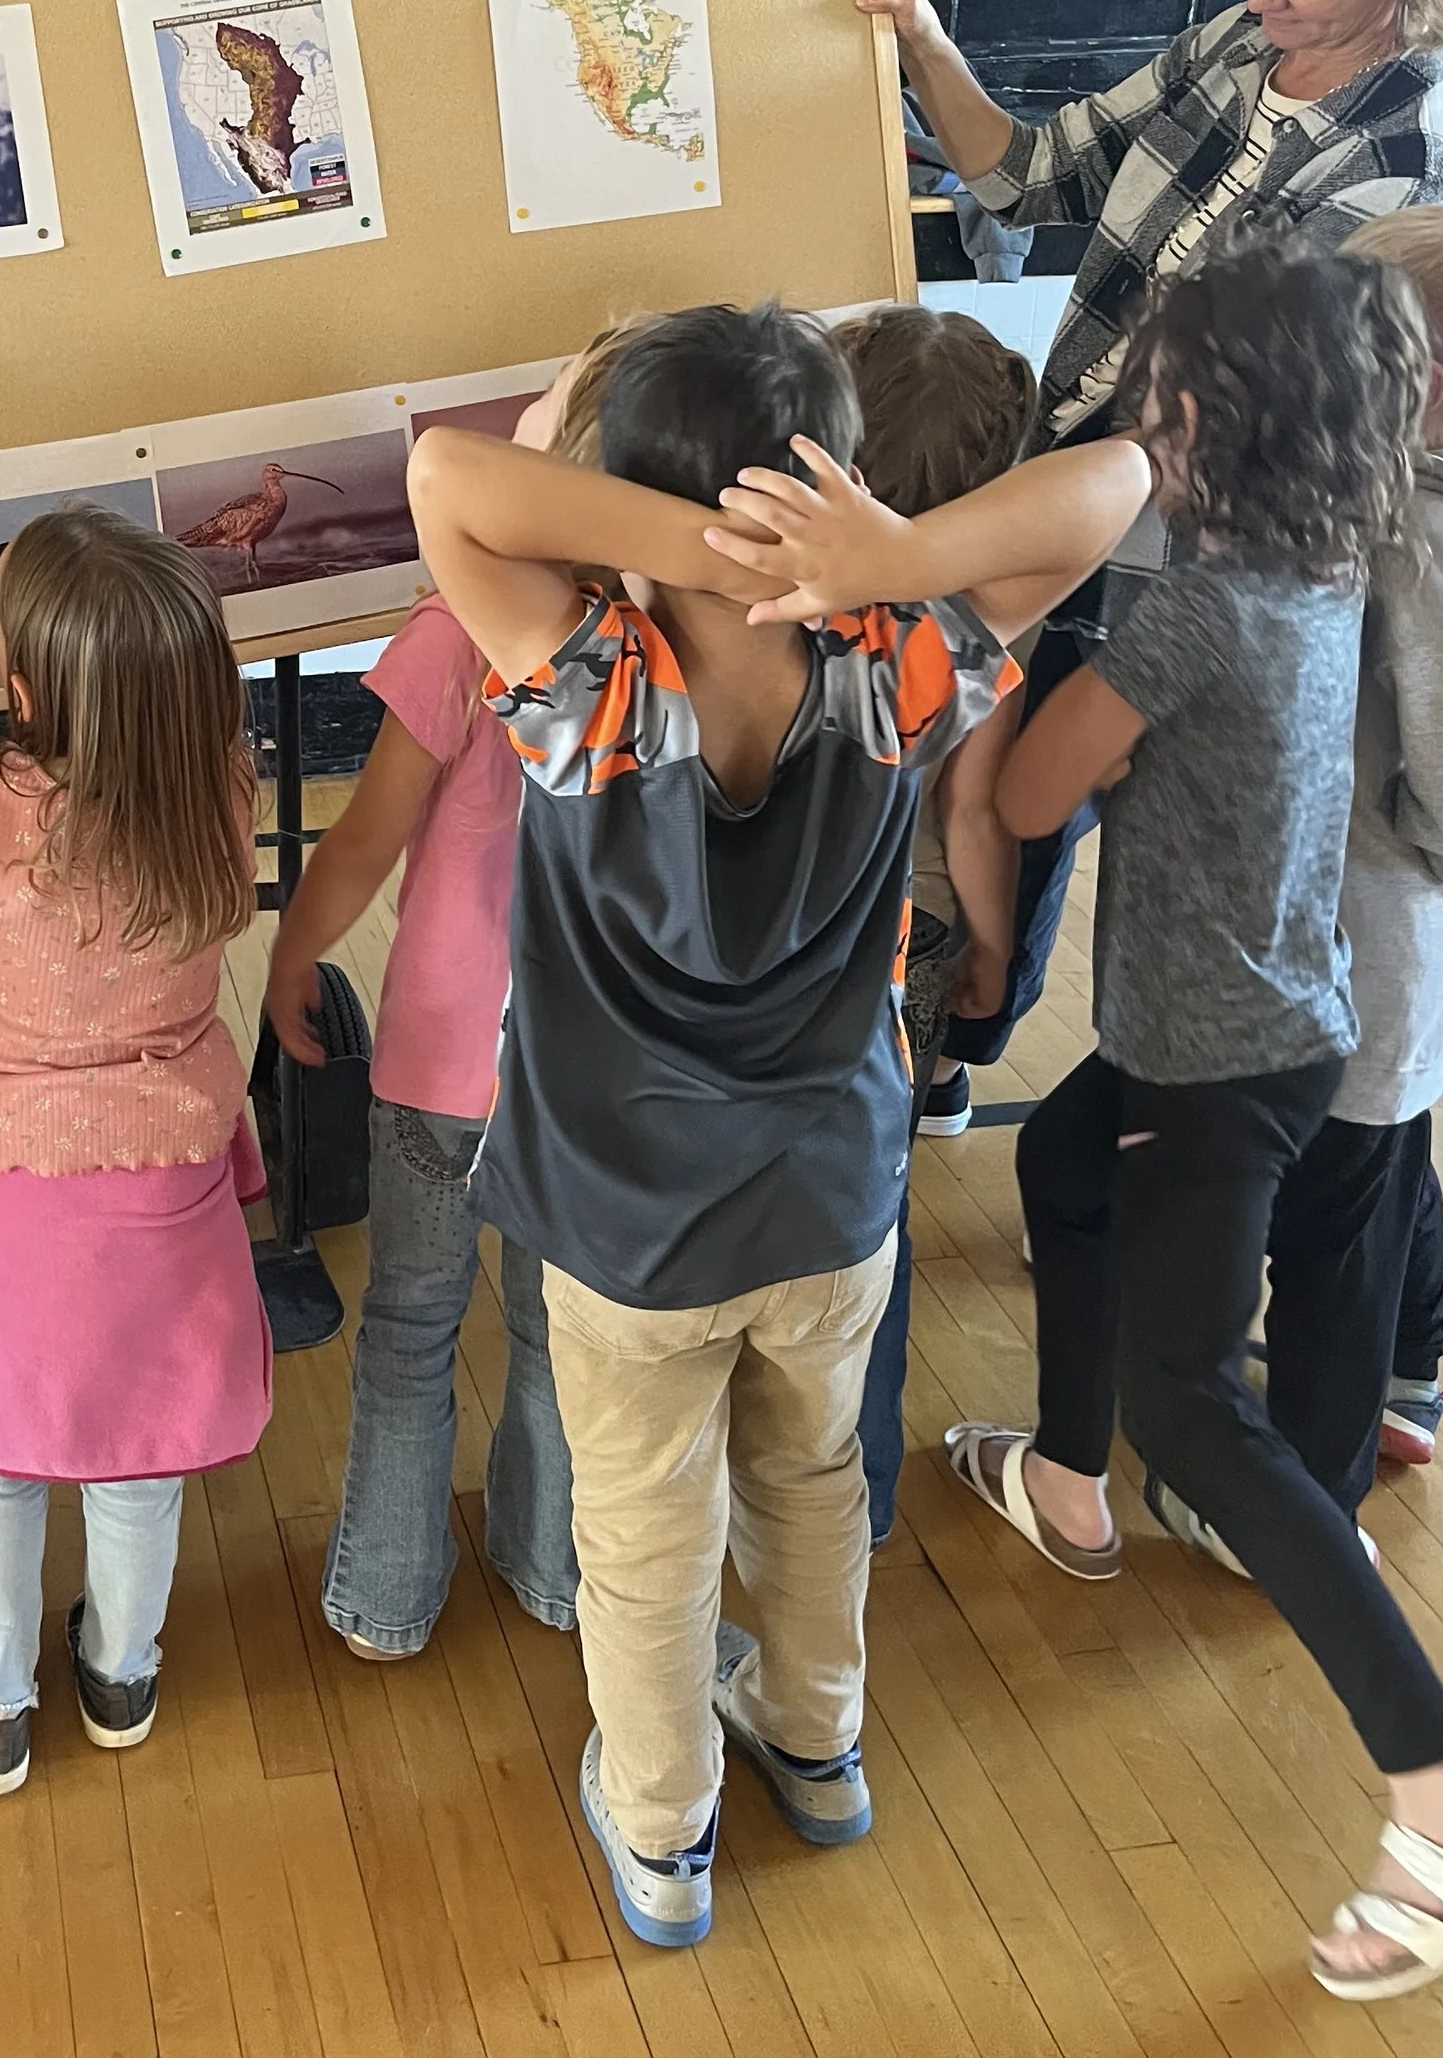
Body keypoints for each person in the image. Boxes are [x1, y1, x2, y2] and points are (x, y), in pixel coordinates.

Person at [784, 238, 1443, 2005]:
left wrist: (1008, 686)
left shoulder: (1195, 605)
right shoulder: (1327, 549)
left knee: (1187, 1401)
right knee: (1062, 1168)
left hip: (1220, 1056)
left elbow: (1035, 786)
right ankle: (1069, 1487)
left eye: (1160, 393)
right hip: (1272, 1026)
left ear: (1203, 415)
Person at [406, 308, 1139, 1949]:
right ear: (838, 477)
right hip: (830, 1191)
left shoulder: (585, 674)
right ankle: (820, 1743)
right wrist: (858, 551)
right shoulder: (896, 650)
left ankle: (663, 1833)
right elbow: (1120, 477)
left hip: (629, 1223)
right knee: (811, 1482)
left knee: (648, 1529)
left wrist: (699, 548)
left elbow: (451, 473)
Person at [859, 0, 1443, 1077]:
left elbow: (1252, 416)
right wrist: (923, 35)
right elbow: (1028, 176)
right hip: (1061, 483)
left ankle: (1036, 1073)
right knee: (974, 796)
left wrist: (937, 546)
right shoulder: (1232, 44)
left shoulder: (1407, 151)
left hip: (1183, 542)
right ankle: (949, 1038)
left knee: (1079, 819)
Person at [264, 333, 652, 1662]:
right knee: (557, 1340)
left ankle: (383, 1595)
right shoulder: (658, 642)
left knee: (410, 1327)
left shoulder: (452, 628)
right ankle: (554, 1570)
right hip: (585, 1078)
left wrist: (289, 952)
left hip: (437, 1069)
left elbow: (367, 839)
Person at [0, 507, 272, 1797]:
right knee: (141, 1454)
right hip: (172, 1165)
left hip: (12, 1174)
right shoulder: (220, 785)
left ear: (19, 684)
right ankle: (122, 1671)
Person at [1253, 213, 1443, 1522]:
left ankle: (1308, 1491)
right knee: (1387, 1158)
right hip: (1405, 935)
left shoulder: (1418, 526)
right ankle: (1408, 1372)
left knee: (1335, 1215)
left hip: (1374, 937)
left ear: (1408, 387)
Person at [827, 305, 1037, 1544]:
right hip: (908, 942)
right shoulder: (973, 630)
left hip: (792, 932)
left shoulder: (787, 601)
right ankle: (864, 1492)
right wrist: (995, 956)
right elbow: (974, 818)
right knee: (877, 1214)